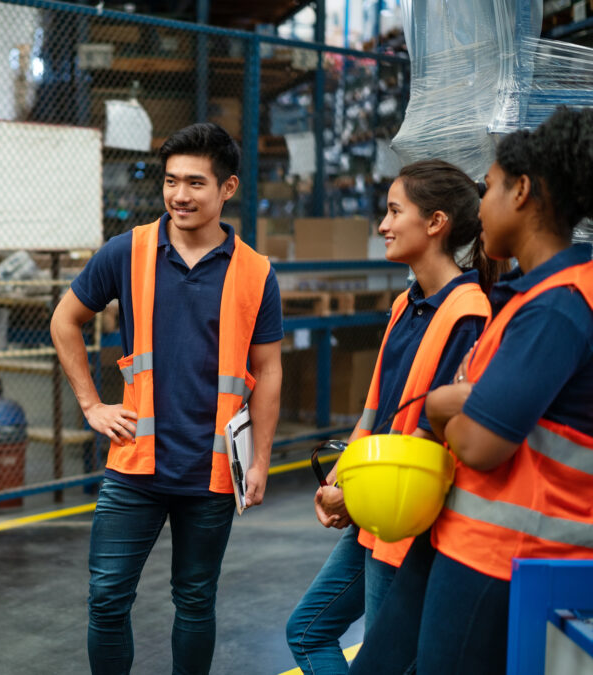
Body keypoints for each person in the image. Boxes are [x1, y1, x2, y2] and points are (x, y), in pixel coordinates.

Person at [348, 107, 593, 675]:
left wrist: (440, 406)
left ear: (523, 192)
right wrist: (454, 405)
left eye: (489, 188)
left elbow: (480, 442)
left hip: (505, 554)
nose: (478, 207)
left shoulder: (559, 307)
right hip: (459, 536)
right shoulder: (526, 298)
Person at [50, 122, 283, 674]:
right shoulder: (126, 253)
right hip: (135, 465)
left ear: (227, 189)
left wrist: (262, 459)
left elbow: (268, 369)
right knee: (107, 598)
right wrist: (91, 405)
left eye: (196, 183)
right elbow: (65, 321)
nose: (180, 195)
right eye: (172, 181)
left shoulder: (255, 273)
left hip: (212, 471)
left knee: (196, 602)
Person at [286, 160, 498, 674]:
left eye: (394, 211)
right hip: (376, 507)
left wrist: (359, 496)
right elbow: (374, 412)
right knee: (307, 631)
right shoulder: (407, 304)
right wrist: (341, 480)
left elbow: (439, 443)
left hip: (410, 516)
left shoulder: (468, 316)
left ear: (435, 223)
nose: (382, 224)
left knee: (384, 663)